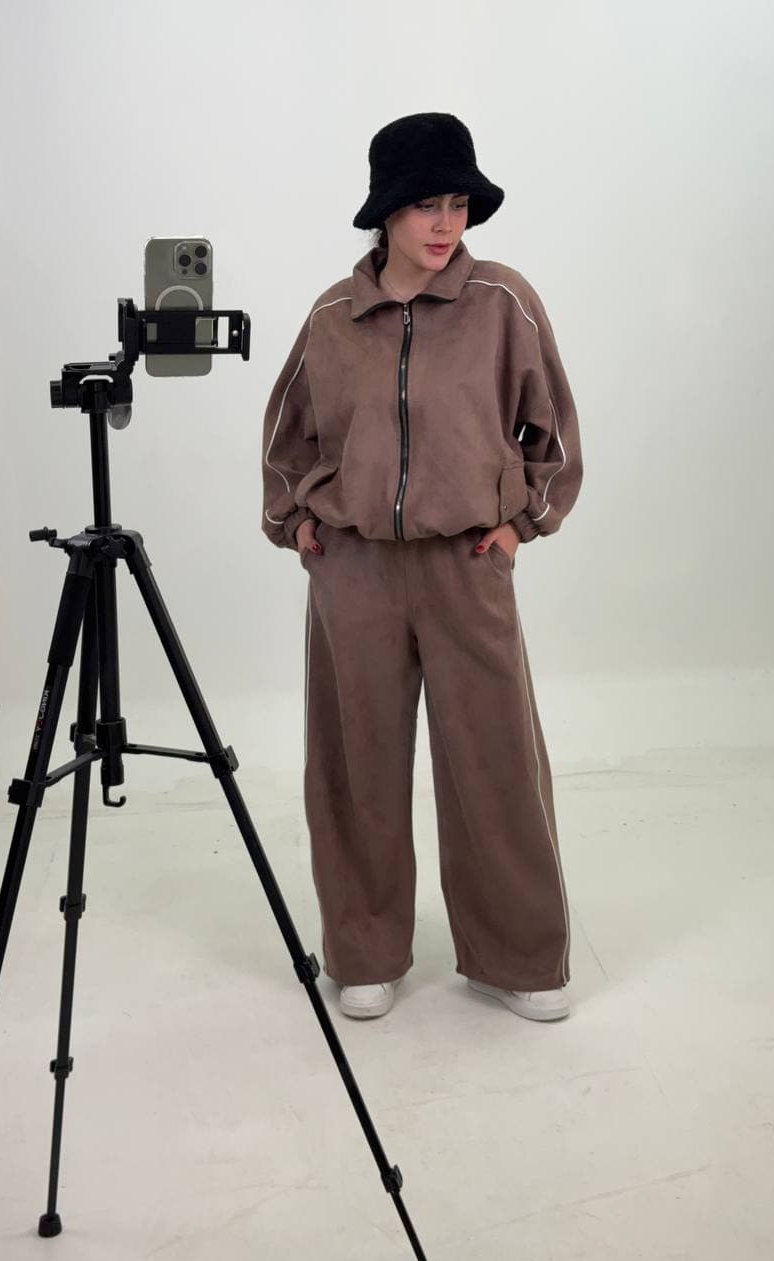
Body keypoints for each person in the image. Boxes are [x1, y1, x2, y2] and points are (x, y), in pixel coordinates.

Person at [261, 112, 583, 1023]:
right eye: (425, 206)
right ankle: (365, 952)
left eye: (458, 205)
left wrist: (523, 524)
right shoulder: (333, 317)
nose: (446, 225)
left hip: (466, 563)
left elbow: (553, 430)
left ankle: (517, 957)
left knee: (495, 763)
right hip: (355, 569)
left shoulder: (502, 302)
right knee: (353, 765)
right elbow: (288, 435)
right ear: (386, 214)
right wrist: (296, 524)